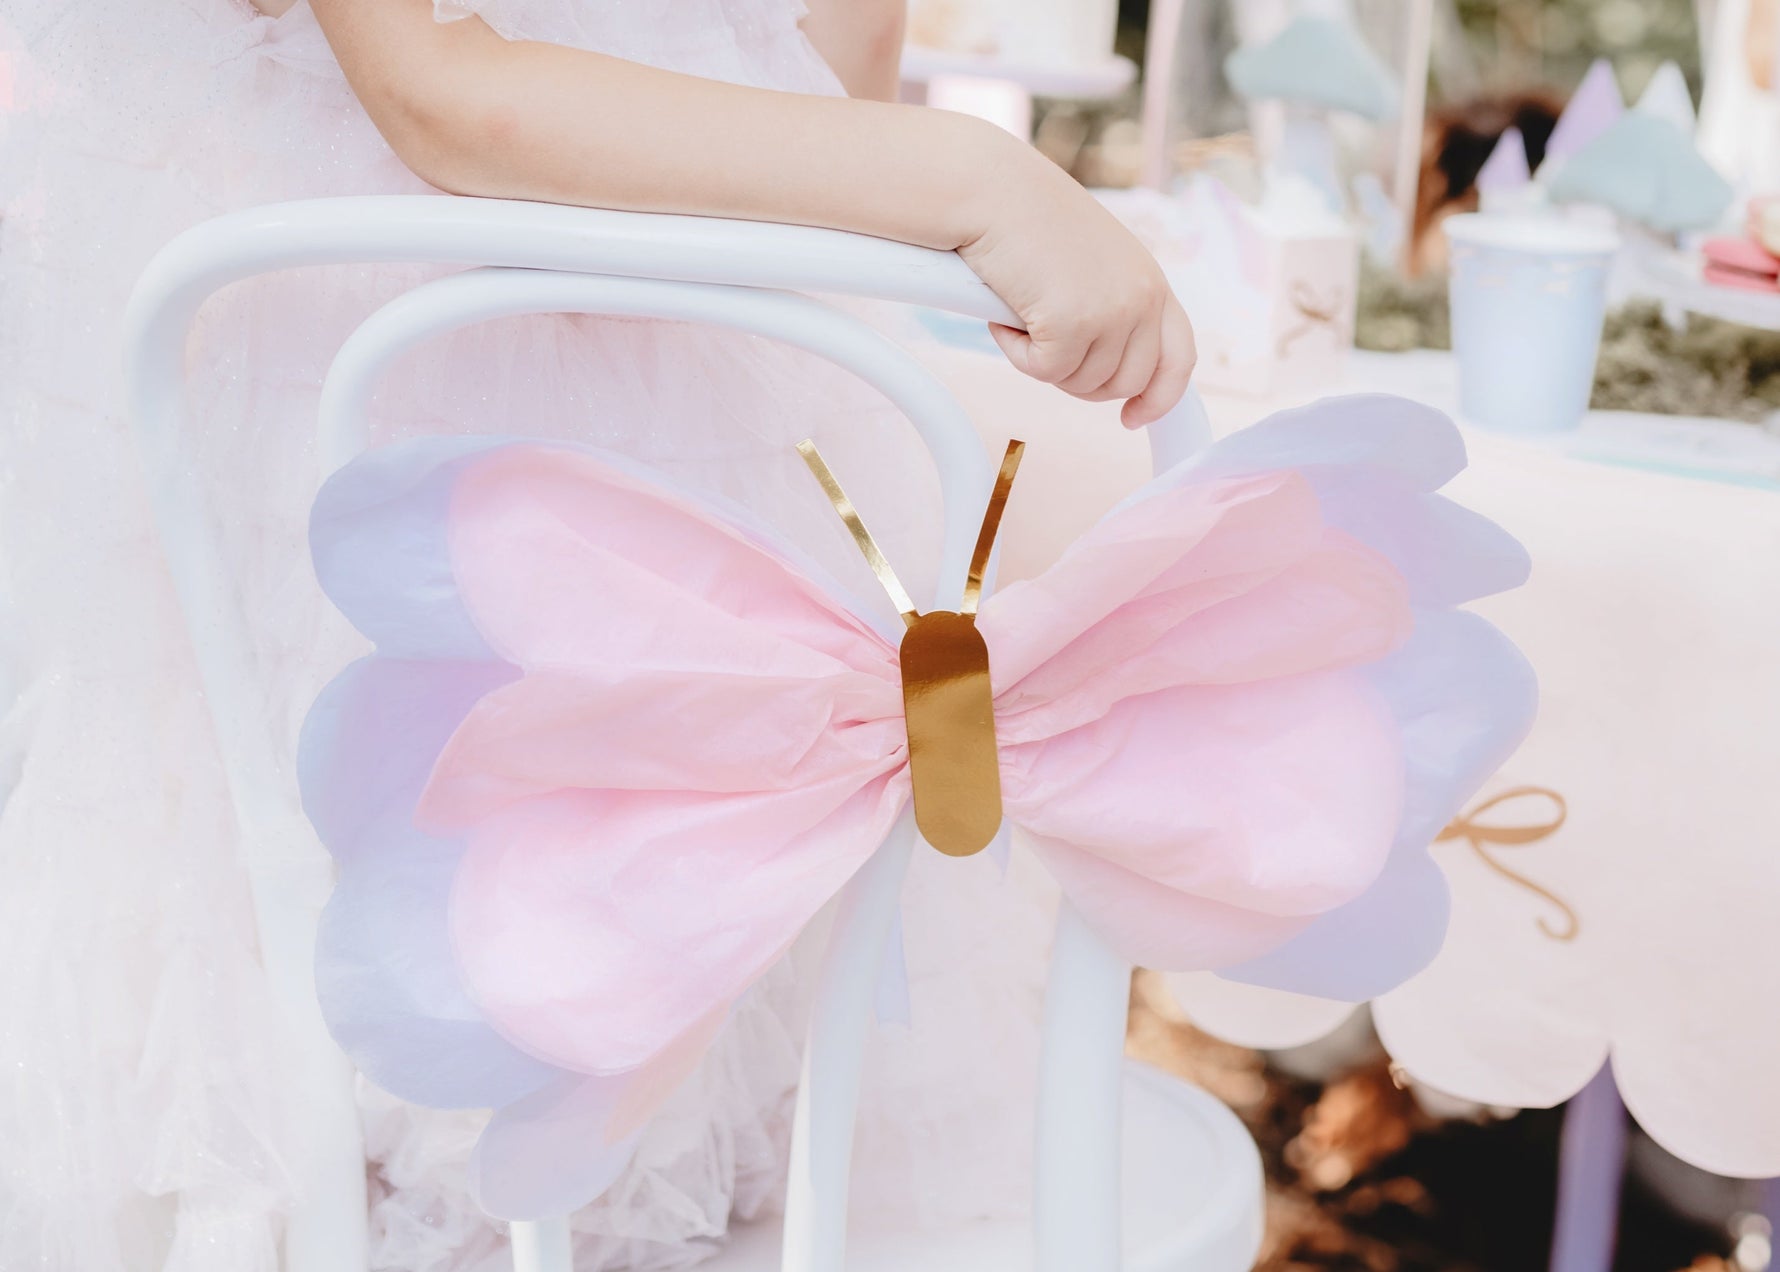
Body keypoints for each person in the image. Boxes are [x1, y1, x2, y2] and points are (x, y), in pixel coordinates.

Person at [0, 3, 1192, 1269]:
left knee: (689, 944)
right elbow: (443, 95)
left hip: (699, 465)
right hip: (375, 434)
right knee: (371, 915)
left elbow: (826, 80)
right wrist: (980, 175)